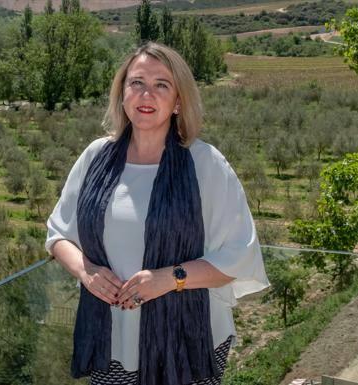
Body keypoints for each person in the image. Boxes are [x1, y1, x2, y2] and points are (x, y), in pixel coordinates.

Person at [45, 42, 269, 385]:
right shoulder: (95, 157)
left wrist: (170, 278)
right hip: (111, 339)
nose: (146, 94)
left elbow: (239, 256)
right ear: (122, 94)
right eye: (136, 83)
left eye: (161, 85)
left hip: (187, 342)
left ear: (178, 101)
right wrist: (86, 271)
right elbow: (59, 234)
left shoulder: (205, 164)